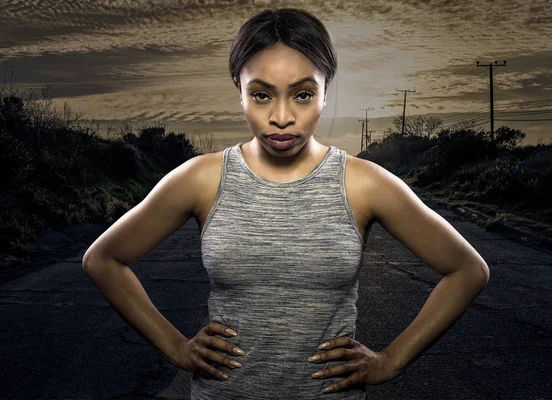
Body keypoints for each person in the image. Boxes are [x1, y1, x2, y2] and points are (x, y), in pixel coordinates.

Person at [82, 7, 490, 400]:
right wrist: (175, 348)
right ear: (239, 92)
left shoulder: (364, 183)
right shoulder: (202, 178)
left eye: (302, 94)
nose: (281, 116)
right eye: (261, 95)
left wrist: (391, 362)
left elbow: (467, 270)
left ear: (326, 91)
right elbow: (104, 259)